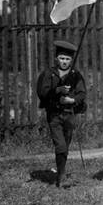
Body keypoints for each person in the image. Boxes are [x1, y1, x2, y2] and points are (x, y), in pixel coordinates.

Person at [35, 39, 86, 189]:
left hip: (69, 114)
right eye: (62, 58)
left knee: (66, 145)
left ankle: (60, 172)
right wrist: (58, 90)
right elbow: (42, 92)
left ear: (71, 60)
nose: (64, 61)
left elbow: (82, 93)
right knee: (61, 145)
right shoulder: (48, 74)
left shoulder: (75, 75)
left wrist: (72, 100)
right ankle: (62, 177)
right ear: (56, 58)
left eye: (67, 59)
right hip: (54, 114)